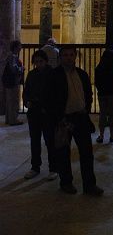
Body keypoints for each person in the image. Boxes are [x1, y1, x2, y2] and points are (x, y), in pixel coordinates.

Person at [50, 45, 103, 196]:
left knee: (86, 153)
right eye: (65, 55)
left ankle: (89, 185)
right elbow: (49, 99)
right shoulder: (54, 76)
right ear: (60, 57)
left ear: (75, 57)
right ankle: (66, 182)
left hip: (80, 117)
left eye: (71, 55)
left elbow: (88, 94)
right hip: (64, 120)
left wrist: (86, 108)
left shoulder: (82, 74)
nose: (68, 57)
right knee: (64, 153)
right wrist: (59, 118)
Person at [23, 50, 58, 180]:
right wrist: (27, 102)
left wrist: (47, 107)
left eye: (40, 61)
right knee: (35, 141)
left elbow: (54, 94)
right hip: (34, 113)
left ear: (45, 61)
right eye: (36, 62)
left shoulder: (52, 74)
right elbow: (26, 91)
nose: (38, 64)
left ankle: (53, 168)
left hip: (46, 113)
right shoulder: (32, 74)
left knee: (50, 141)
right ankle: (35, 167)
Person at [95, 49, 113, 143]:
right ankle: (112, 135)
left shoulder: (99, 67)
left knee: (102, 114)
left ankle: (101, 136)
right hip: (112, 94)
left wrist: (101, 90)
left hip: (102, 94)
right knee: (112, 114)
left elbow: (97, 82)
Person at [2, 40, 24, 125]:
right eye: (19, 46)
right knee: (13, 101)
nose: (21, 47)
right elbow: (14, 68)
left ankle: (9, 119)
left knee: (9, 100)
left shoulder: (10, 56)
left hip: (9, 81)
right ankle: (13, 120)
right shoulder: (13, 56)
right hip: (13, 81)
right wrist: (22, 69)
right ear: (16, 47)